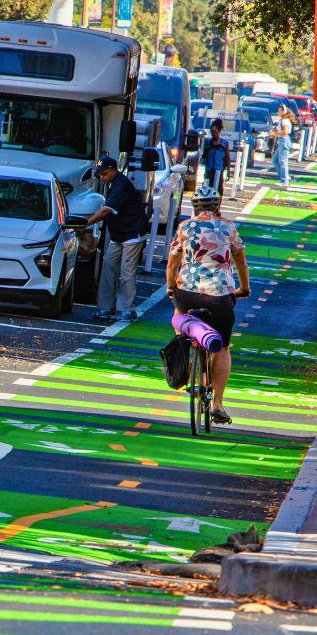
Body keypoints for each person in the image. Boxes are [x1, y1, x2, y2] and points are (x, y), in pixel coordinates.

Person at [167, 186, 250, 424]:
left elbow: (172, 263)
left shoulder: (184, 227)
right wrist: (243, 288)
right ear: (218, 204)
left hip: (187, 294)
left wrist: (171, 287)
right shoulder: (228, 228)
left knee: (179, 317)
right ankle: (218, 404)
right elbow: (241, 262)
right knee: (222, 348)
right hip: (220, 296)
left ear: (194, 207)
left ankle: (188, 351)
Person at [86, 155, 152, 321]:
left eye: (104, 173)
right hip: (118, 233)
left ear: (114, 170)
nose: (102, 177)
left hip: (132, 233)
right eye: (99, 174)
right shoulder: (113, 183)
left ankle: (126, 309)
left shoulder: (121, 185)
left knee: (127, 271)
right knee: (109, 268)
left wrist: (86, 223)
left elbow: (106, 211)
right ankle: (105, 306)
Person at [202, 118, 232, 193]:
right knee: (206, 191)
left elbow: (227, 158)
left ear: (219, 131)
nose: (213, 133)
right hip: (209, 170)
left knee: (218, 191)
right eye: (212, 132)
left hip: (218, 170)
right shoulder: (208, 142)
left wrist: (228, 172)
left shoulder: (224, 143)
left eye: (215, 131)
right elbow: (204, 157)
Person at [272, 105, 294, 189]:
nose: (278, 112)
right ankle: (284, 177)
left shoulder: (285, 121)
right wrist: (274, 132)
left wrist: (276, 133)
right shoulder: (282, 120)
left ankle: (285, 181)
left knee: (283, 161)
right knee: (275, 160)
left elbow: (285, 132)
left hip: (284, 141)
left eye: (280, 111)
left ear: (284, 112)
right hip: (281, 141)